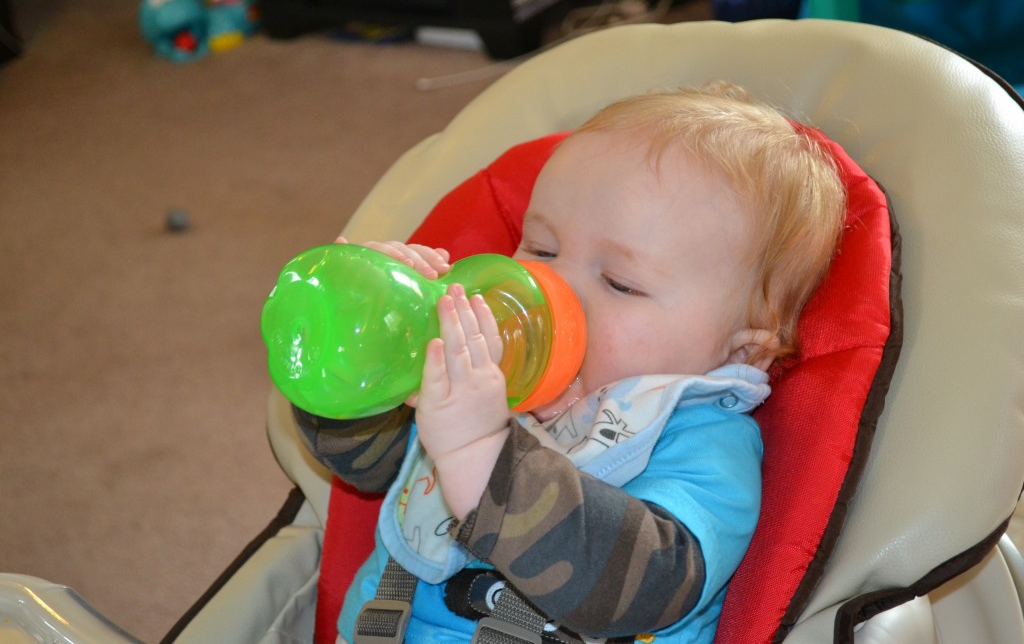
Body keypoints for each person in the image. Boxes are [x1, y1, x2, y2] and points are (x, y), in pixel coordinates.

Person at [291, 82, 846, 643]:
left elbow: (650, 583)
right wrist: (369, 348)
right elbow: (364, 462)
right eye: (540, 248)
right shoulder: (482, 372)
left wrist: (482, 455)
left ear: (739, 351)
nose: (550, 285)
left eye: (619, 283)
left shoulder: (700, 440)